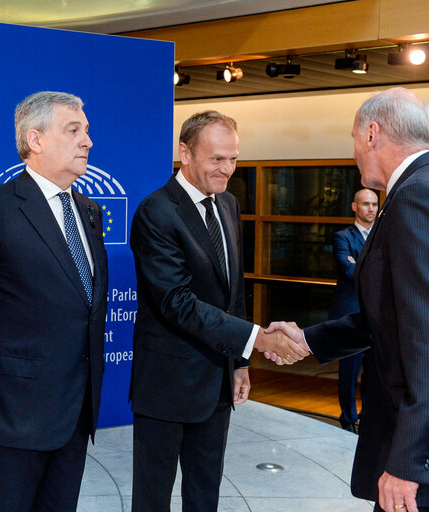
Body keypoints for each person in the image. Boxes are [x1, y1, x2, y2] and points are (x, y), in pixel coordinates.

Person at [268, 87, 429, 512]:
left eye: (354, 137)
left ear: (372, 133)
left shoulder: (420, 197)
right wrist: (308, 340)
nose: (354, 150)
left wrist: (409, 463)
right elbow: (395, 315)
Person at [0, 91, 108, 512]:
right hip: (5, 415)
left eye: (86, 130)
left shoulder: (89, 211)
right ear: (36, 139)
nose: (88, 141)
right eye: (74, 130)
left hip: (74, 415)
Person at [129, 110, 309, 512]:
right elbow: (177, 302)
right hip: (166, 384)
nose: (226, 169)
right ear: (184, 153)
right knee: (152, 498)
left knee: (205, 492)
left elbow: (234, 291)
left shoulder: (227, 204)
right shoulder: (155, 213)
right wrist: (258, 338)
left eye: (233, 159)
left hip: (217, 381)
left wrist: (240, 362)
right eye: (216, 159)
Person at [330, 188, 378, 432]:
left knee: (374, 372)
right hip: (350, 315)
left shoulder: (382, 236)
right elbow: (346, 272)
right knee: (348, 373)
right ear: (354, 207)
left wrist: (358, 263)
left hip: (377, 316)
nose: (371, 209)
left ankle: (368, 418)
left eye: (374, 204)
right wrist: (374, 268)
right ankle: (348, 419)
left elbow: (389, 270)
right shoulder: (342, 237)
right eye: (366, 204)